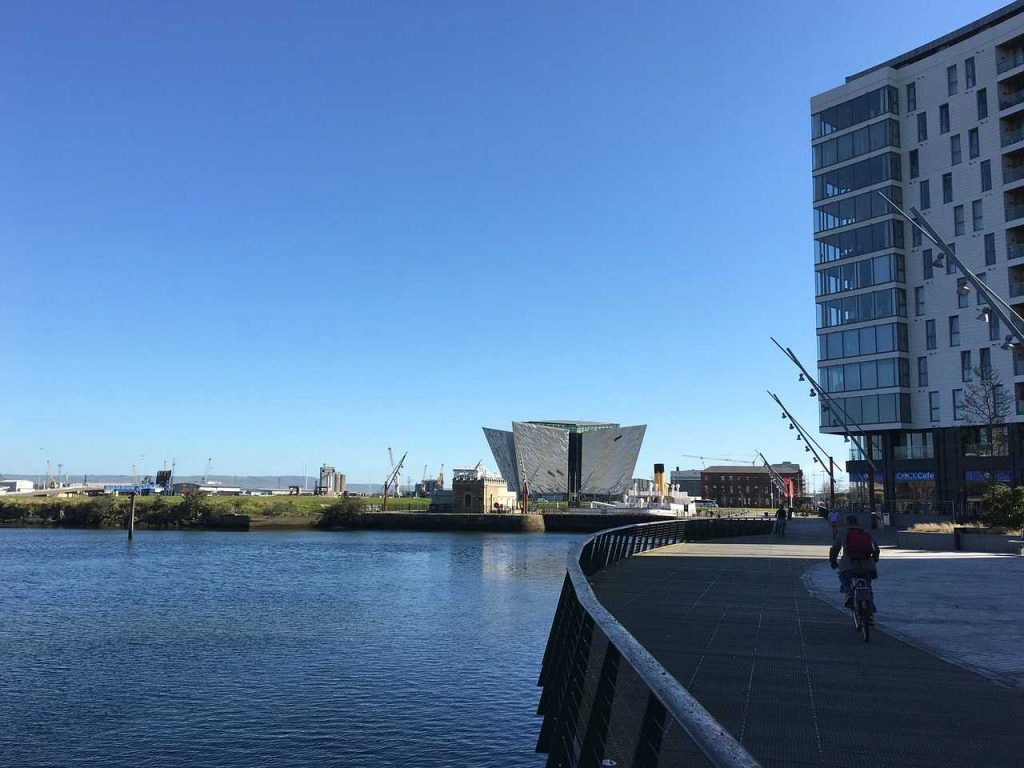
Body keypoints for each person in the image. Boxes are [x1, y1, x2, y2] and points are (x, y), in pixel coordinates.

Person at [830, 514, 880, 611]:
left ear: (847, 523)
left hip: (849, 567)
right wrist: (874, 560)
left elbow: (834, 549)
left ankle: (849, 593)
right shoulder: (866, 533)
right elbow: (876, 549)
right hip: (867, 567)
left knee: (842, 576)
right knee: (867, 586)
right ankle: (871, 611)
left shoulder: (843, 533)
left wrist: (833, 562)